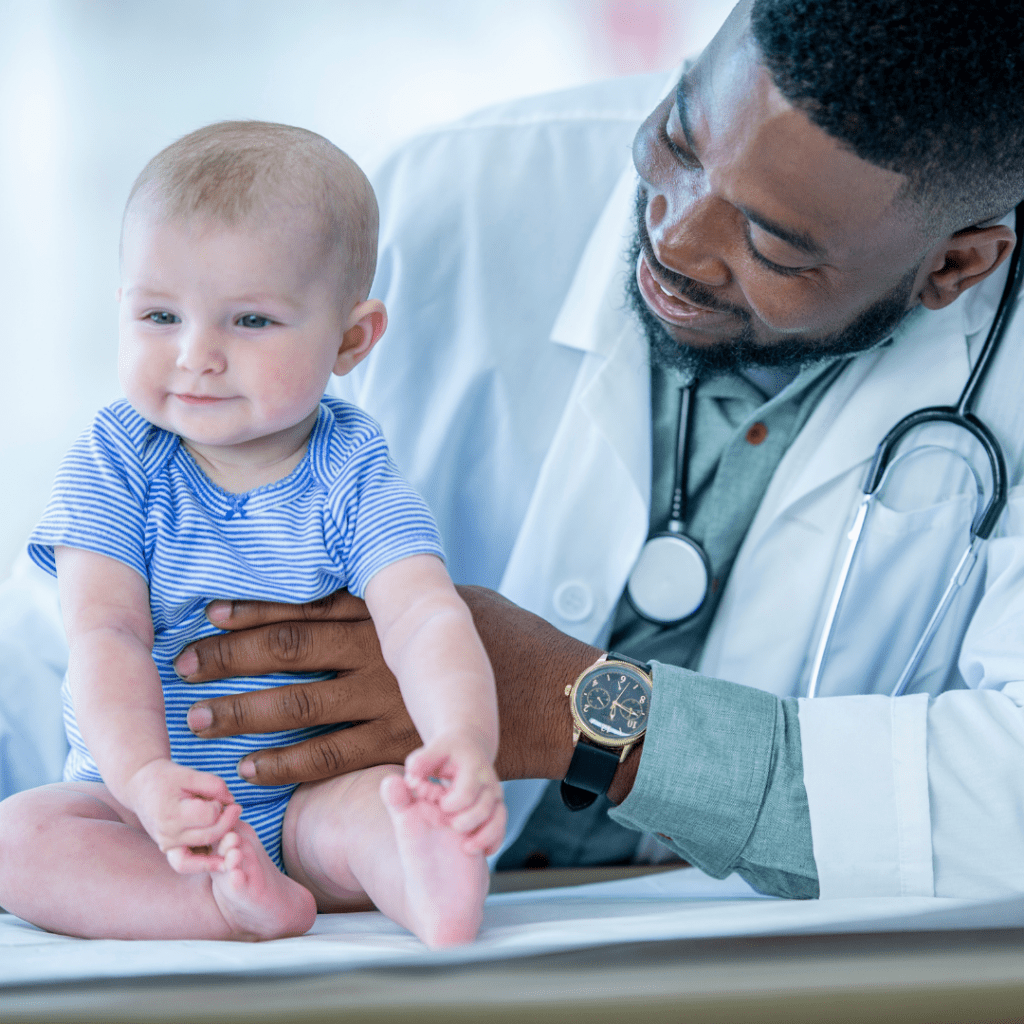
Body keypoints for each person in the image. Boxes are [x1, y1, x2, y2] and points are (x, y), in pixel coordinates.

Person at [3, 0, 1024, 904]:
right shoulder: (447, 198)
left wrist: (582, 712)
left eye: (771, 246)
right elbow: (77, 627)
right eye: (676, 136)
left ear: (957, 264)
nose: (671, 234)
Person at [0, 122, 505, 948]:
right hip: (142, 809)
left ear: (350, 339)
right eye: (160, 314)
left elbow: (426, 616)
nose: (196, 355)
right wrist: (147, 780)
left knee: (380, 807)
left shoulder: (352, 467)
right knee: (20, 838)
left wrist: (462, 743)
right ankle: (220, 906)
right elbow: (106, 632)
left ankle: (431, 883)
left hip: (311, 799)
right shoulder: (115, 457)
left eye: (251, 321)